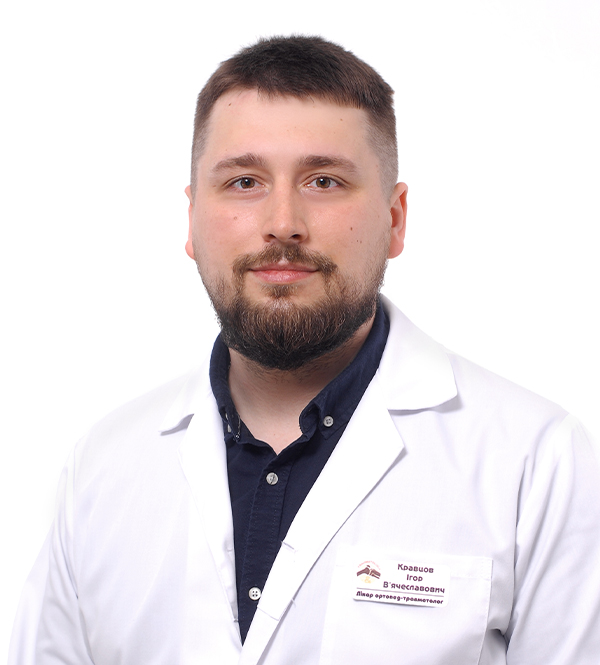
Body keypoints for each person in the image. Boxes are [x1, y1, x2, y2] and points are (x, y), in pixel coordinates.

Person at [9, 35, 600, 665]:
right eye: (244, 181)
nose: (283, 223)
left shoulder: (537, 461)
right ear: (192, 219)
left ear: (395, 219)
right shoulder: (103, 467)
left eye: (324, 180)